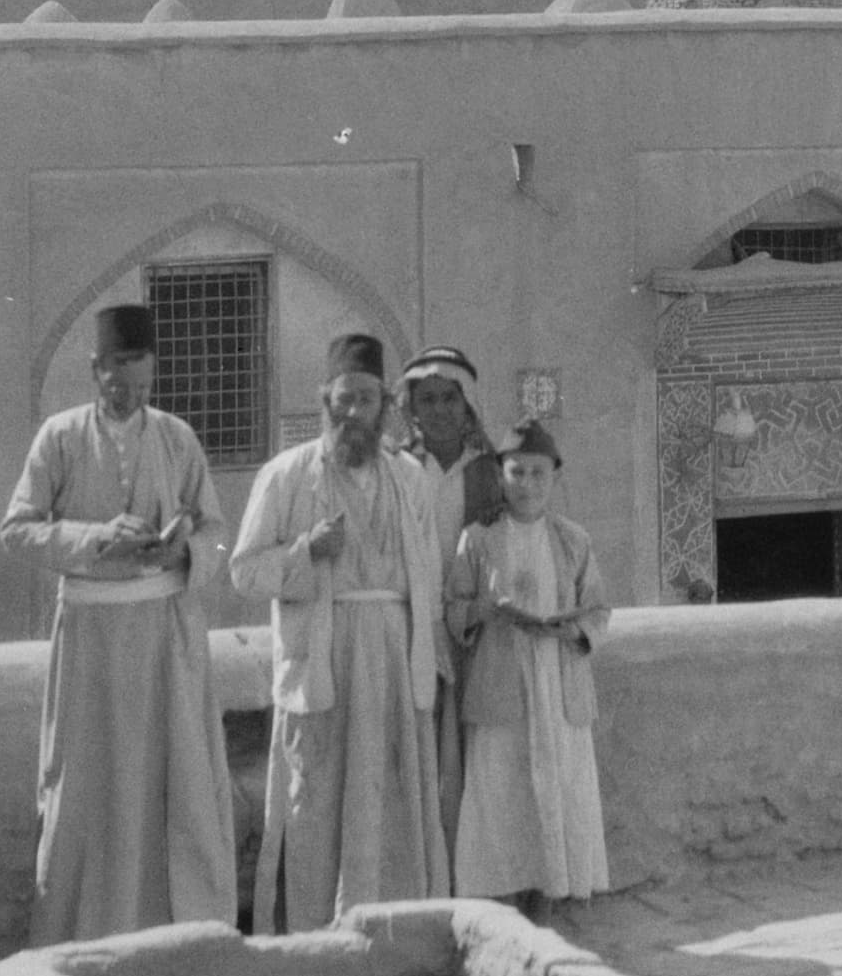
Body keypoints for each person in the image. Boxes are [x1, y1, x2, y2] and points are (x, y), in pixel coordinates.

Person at [0, 303, 236, 944]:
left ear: (153, 373)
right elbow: (17, 529)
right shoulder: (59, 437)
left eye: (139, 377)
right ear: (94, 369)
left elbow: (216, 531)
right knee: (89, 784)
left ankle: (170, 932)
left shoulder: (178, 438)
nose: (126, 389)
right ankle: (85, 933)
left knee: (169, 781)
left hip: (164, 637)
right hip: (92, 643)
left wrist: (181, 550)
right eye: (114, 375)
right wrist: (94, 538)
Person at [230, 331, 449, 932]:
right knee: (317, 797)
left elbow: (427, 572)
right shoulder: (286, 475)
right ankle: (315, 932)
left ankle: (395, 929)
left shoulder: (409, 478)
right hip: (323, 658)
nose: (354, 413)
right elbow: (245, 571)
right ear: (323, 398)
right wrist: (306, 552)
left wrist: (429, 655)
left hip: (395, 657)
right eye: (344, 399)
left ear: (386, 407)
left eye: (368, 401)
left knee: (394, 797)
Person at [445, 418, 611, 915]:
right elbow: (453, 609)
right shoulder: (477, 539)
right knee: (502, 793)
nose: (527, 485)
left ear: (555, 479)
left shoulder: (572, 540)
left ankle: (549, 899)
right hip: (502, 680)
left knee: (558, 789)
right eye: (517, 473)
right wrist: (483, 611)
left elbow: (598, 610)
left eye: (539, 474)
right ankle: (503, 901)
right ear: (501, 476)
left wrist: (573, 631)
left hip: (557, 681)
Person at [394, 345, 504, 843]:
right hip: (410, 627)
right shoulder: (395, 468)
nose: (439, 409)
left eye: (449, 398)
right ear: (411, 408)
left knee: (472, 750)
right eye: (428, 399)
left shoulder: (491, 471)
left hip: (473, 633)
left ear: (466, 406)